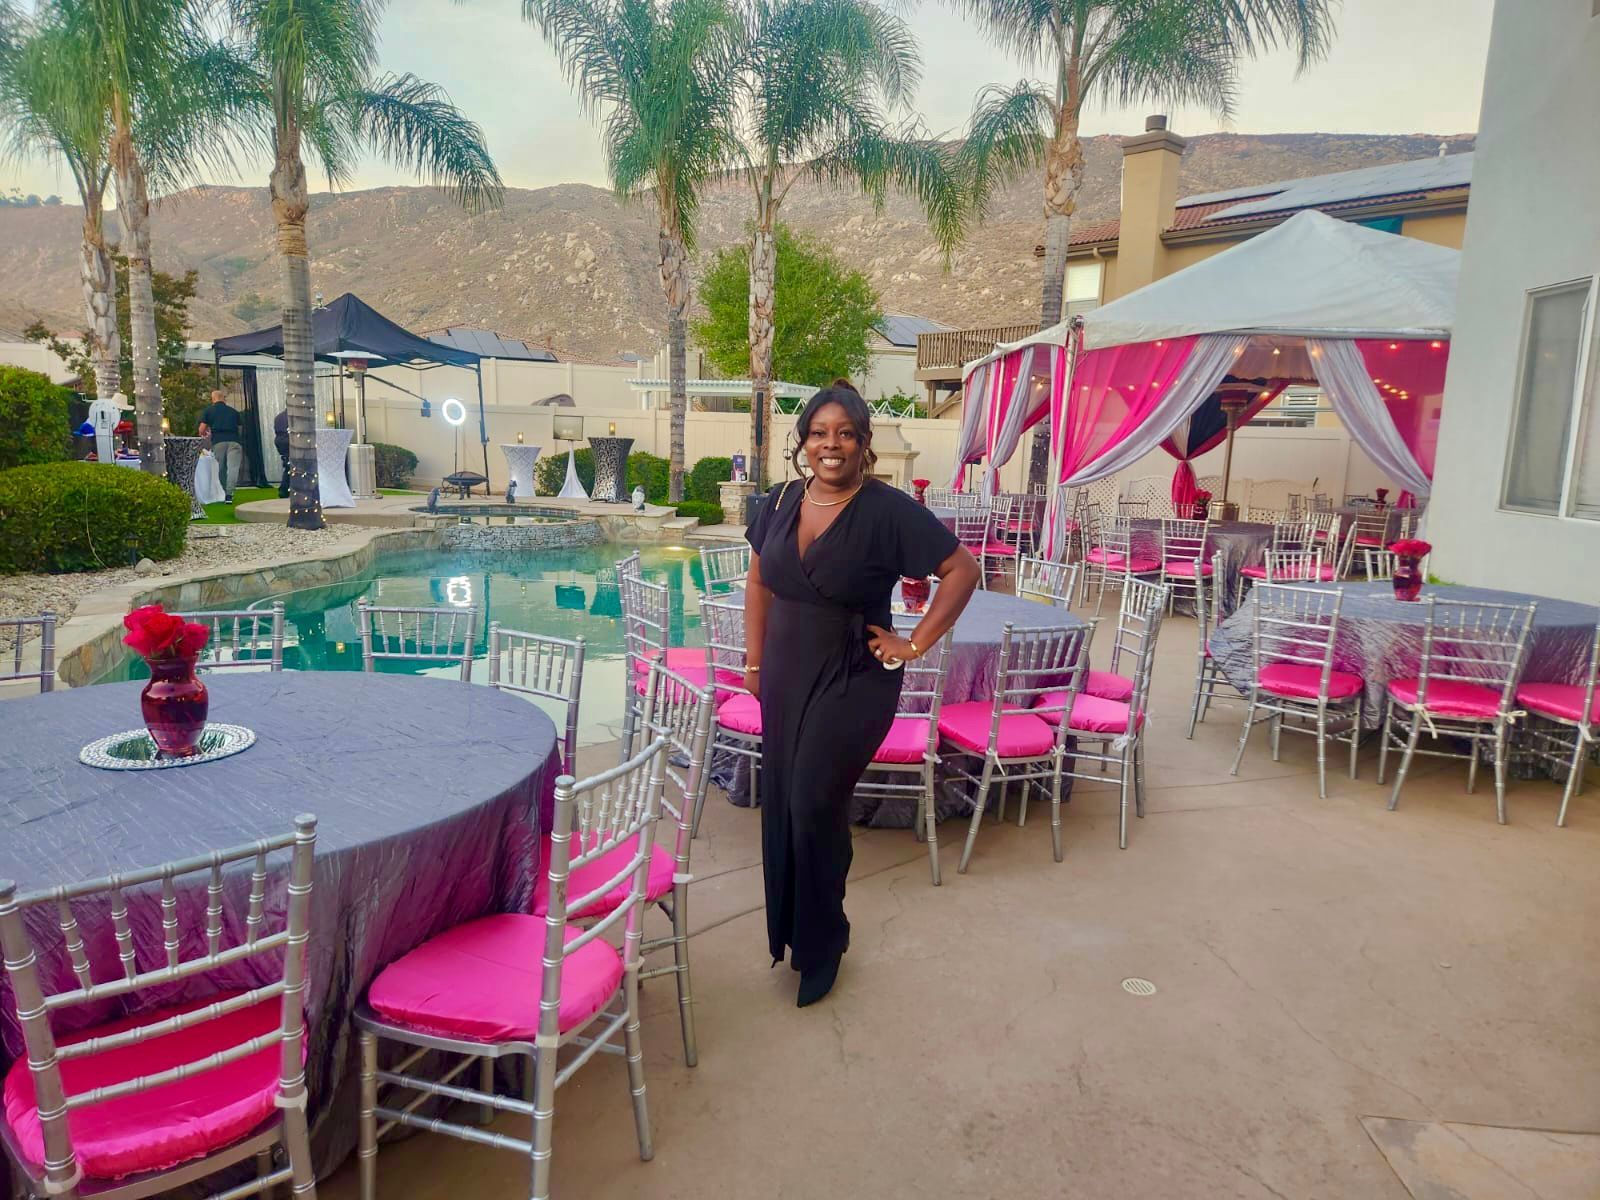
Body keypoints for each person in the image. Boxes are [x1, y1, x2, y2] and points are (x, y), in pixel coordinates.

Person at [742, 382, 980, 1007]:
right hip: (787, 676)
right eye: (820, 432)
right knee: (789, 802)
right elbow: (759, 581)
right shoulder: (782, 501)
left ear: (864, 443)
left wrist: (915, 643)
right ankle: (796, 928)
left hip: (853, 675)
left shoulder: (885, 509)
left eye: (844, 432)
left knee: (813, 799)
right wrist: (755, 660)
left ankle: (826, 942)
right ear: (803, 443)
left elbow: (962, 570)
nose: (831, 444)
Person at [198, 389, 244, 502]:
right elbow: (240, 428)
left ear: (213, 399)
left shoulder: (209, 411)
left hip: (218, 442)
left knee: (220, 468)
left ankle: (222, 492)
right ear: (223, 398)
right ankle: (230, 494)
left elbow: (201, 430)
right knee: (233, 468)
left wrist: (207, 433)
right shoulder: (233, 411)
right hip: (234, 441)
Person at [273, 409, 291, 498]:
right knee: (290, 466)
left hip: (280, 441)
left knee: (288, 465)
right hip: (289, 441)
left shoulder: (279, 416)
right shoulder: (294, 416)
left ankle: (284, 490)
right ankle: (284, 489)